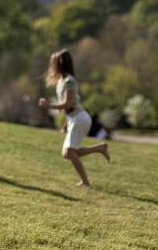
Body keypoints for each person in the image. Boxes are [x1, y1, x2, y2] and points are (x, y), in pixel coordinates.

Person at [38, 49, 109, 187]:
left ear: (59, 64)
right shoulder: (62, 81)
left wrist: (49, 105)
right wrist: (65, 123)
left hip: (80, 119)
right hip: (74, 118)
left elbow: (68, 103)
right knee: (68, 153)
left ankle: (86, 182)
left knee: (69, 153)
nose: (51, 67)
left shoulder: (69, 81)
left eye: (53, 63)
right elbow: (68, 107)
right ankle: (100, 148)